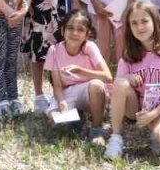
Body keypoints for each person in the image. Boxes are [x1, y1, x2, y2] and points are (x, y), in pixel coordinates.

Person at [105, 1, 160, 160]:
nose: (140, 27)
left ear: (155, 22)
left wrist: (153, 115)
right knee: (121, 83)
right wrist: (127, 78)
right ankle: (116, 138)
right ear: (129, 27)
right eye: (134, 23)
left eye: (144, 21)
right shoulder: (129, 54)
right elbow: (117, 86)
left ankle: (155, 128)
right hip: (135, 108)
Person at [46, 9, 112, 140]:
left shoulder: (90, 47)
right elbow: (57, 86)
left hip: (90, 92)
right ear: (62, 30)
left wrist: (80, 71)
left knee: (96, 85)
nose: (75, 33)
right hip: (68, 93)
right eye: (70, 28)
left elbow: (107, 77)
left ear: (87, 34)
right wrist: (62, 102)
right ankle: (77, 117)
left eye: (80, 29)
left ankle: (96, 129)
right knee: (55, 120)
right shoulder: (54, 50)